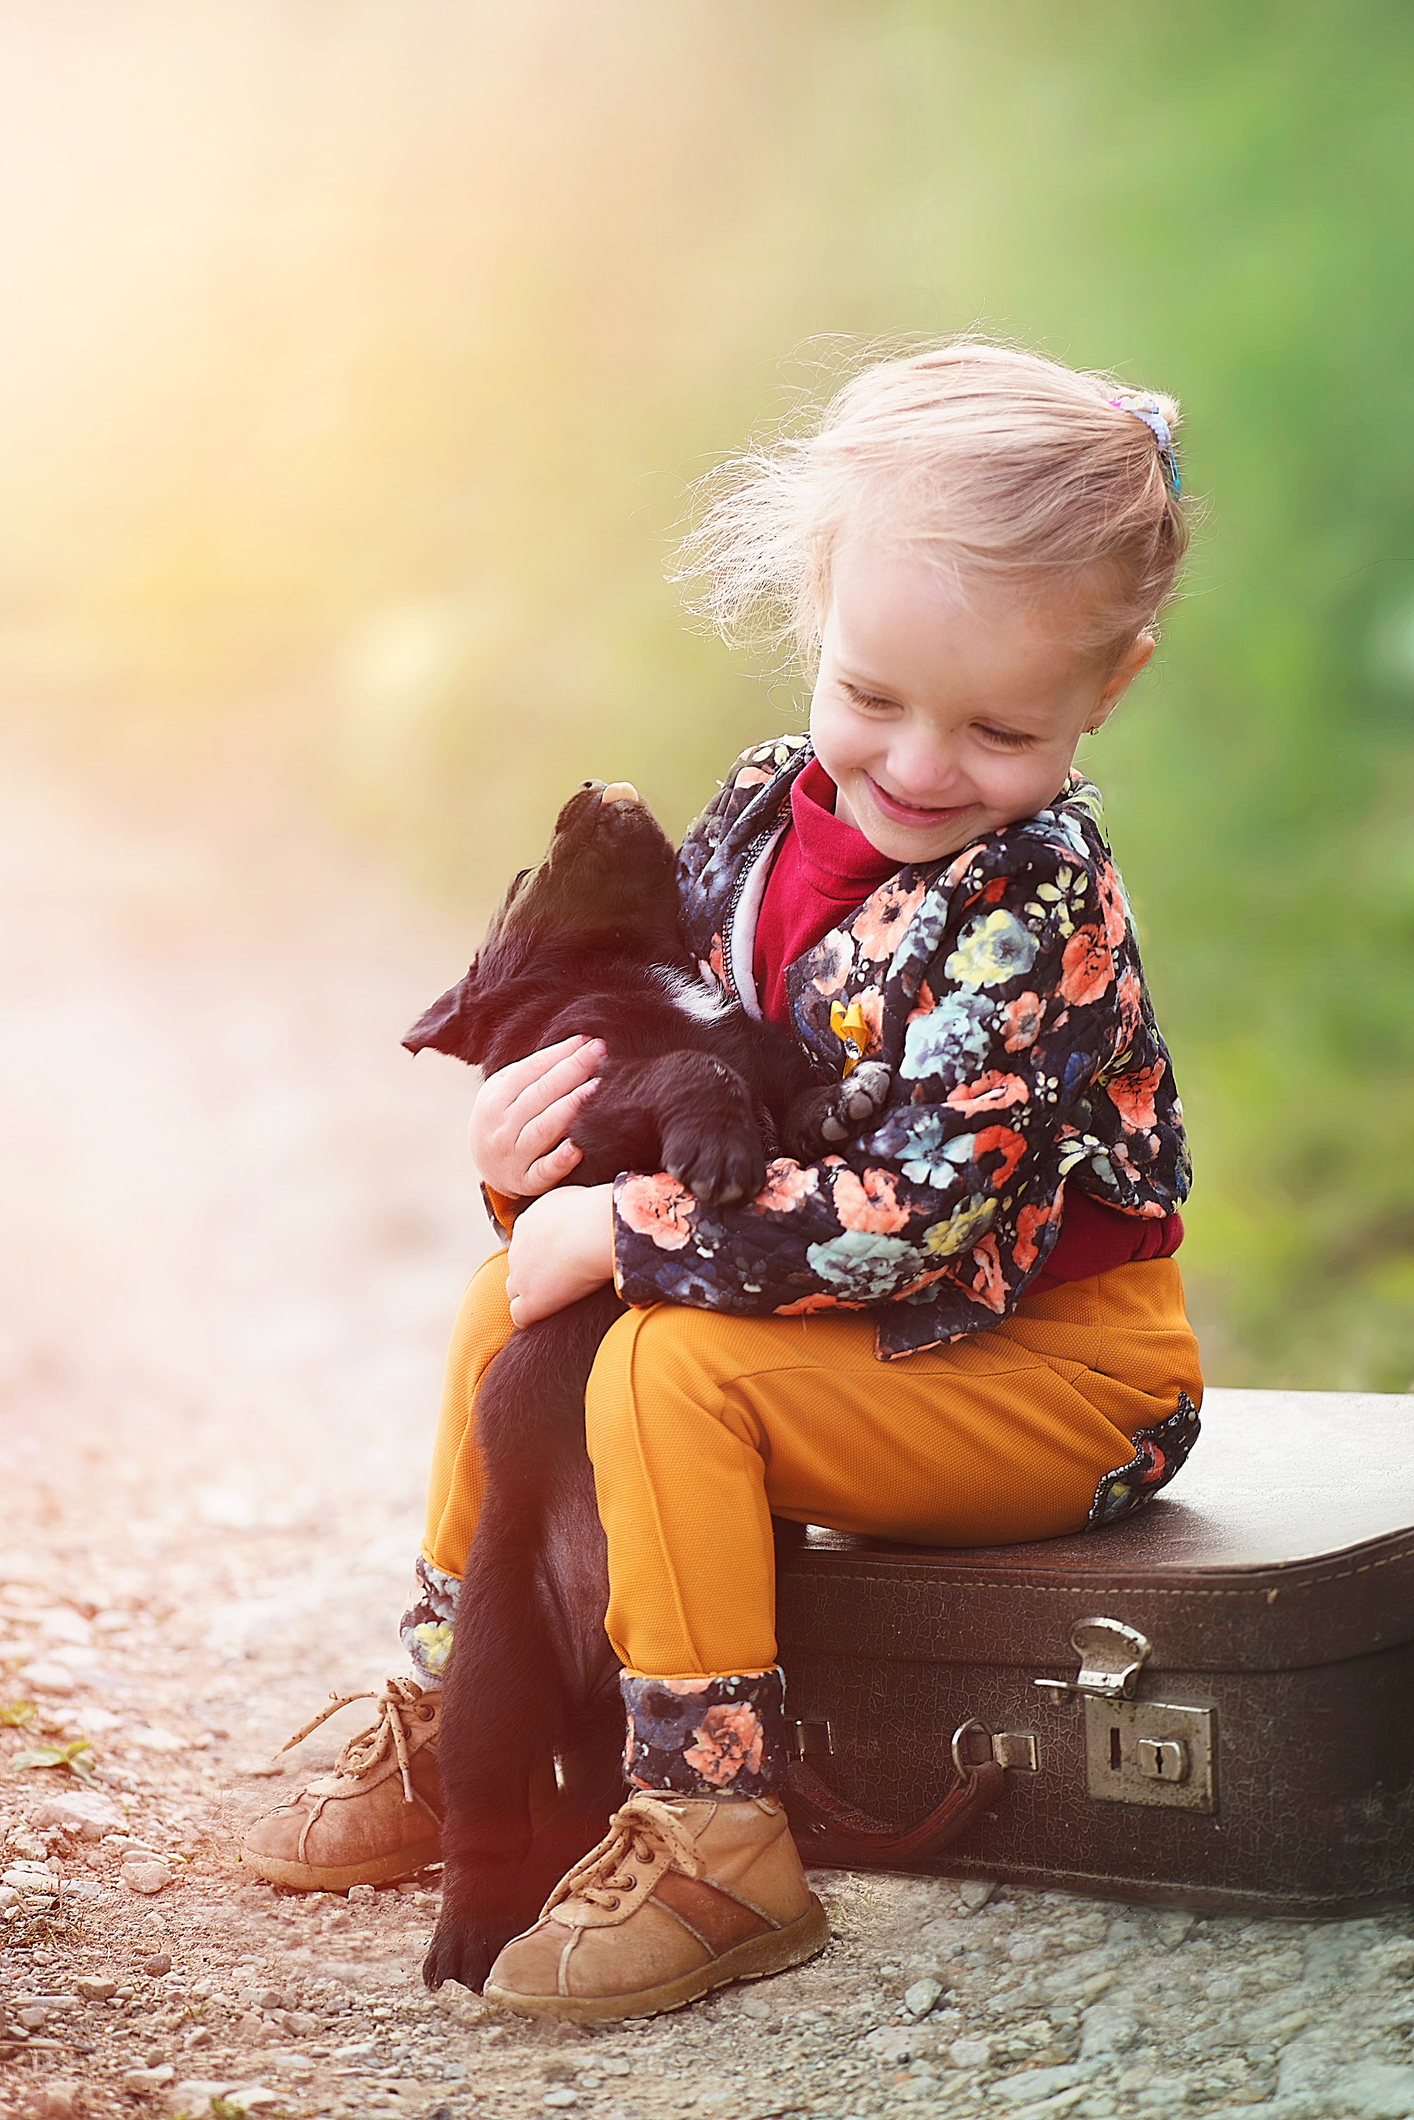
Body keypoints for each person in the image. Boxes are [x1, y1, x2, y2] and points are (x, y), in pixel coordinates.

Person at [241, 338, 1202, 2021]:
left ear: (1105, 688)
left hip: (1056, 1375)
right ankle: (449, 1699)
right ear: (817, 613)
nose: (916, 767)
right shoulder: (763, 806)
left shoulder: (1032, 906)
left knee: (676, 1369)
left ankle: (714, 1831)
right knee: (510, 1298)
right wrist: (528, 1167)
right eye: (872, 696)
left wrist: (620, 1231)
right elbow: (666, 1073)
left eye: (997, 727)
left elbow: (915, 1226)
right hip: (854, 1320)